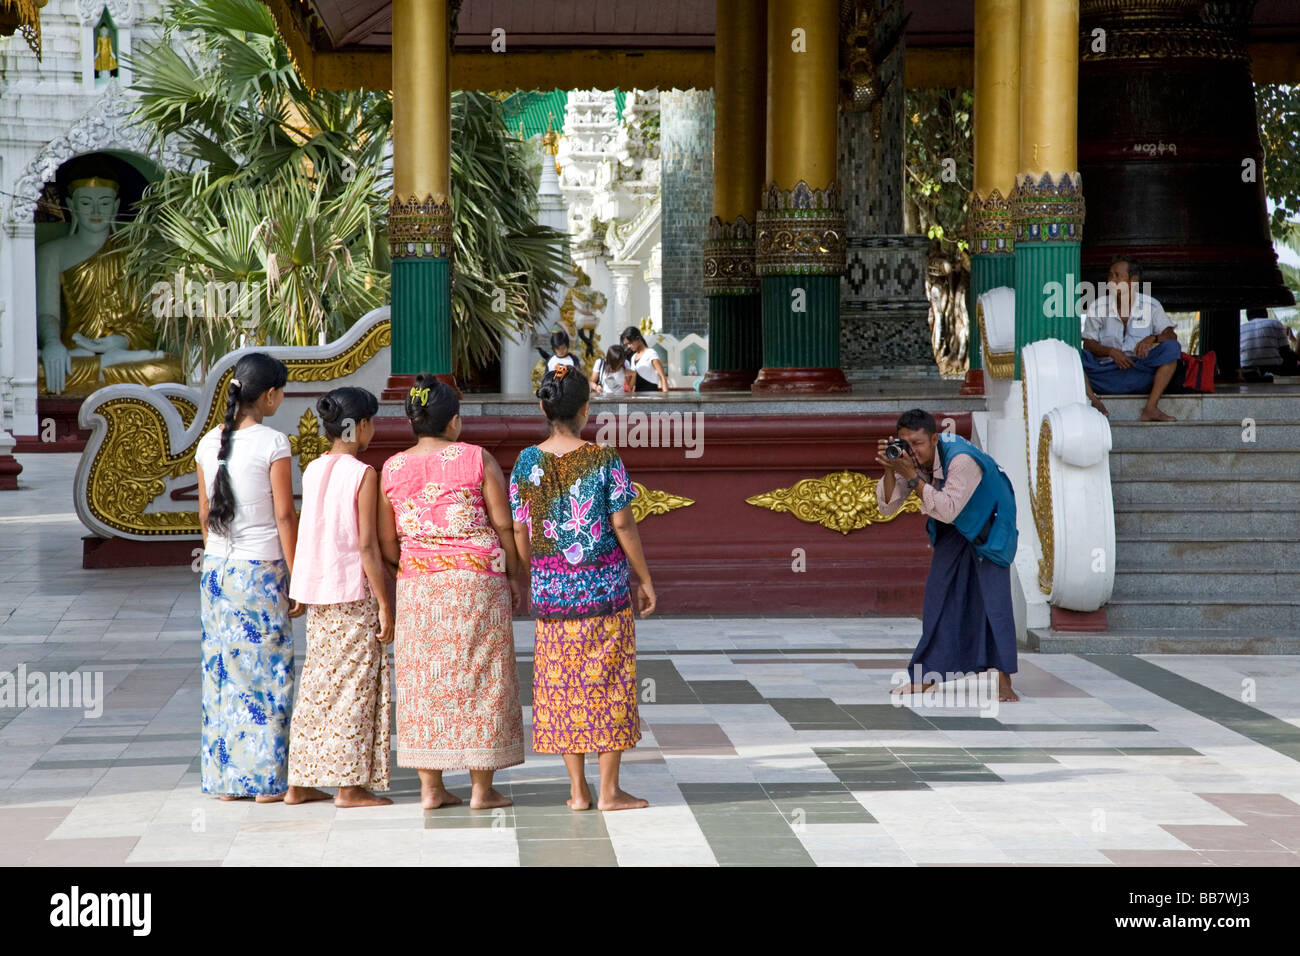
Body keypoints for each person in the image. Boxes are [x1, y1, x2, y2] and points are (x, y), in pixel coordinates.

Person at [510, 365, 655, 811]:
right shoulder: (603, 459)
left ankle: (578, 791)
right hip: (603, 592)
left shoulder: (525, 461)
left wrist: (528, 574)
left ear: (543, 407)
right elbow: (623, 522)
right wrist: (645, 577)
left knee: (561, 688)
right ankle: (610, 791)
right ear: (586, 410)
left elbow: (520, 529)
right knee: (608, 685)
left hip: (553, 596)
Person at [377, 375, 525, 810]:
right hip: (477, 581)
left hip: (419, 585)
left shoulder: (392, 467)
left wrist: (406, 566)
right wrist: (513, 572)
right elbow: (502, 523)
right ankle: (482, 789)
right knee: (484, 679)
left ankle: (431, 787)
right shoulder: (478, 458)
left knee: (424, 682)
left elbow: (388, 541)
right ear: (454, 423)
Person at [195, 353, 325, 803]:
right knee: (268, 676)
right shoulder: (274, 442)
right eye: (281, 391)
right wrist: (298, 574)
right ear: (270, 395)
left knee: (223, 674)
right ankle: (269, 781)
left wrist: (218, 557)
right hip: (262, 570)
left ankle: (226, 782)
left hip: (216, 572)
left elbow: (205, 515)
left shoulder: (209, 442)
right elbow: (285, 516)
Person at [287, 387, 394, 809]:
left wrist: (298, 584)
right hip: (352, 591)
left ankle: (300, 781)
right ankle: (349, 787)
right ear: (361, 425)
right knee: (354, 687)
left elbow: (304, 527)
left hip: (318, 593)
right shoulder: (363, 474)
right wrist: (386, 603)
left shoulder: (313, 468)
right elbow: (367, 546)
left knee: (318, 684)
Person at [875, 409, 1019, 703]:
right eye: (906, 443)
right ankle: (928, 675)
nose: (912, 450)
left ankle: (1004, 678)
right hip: (952, 524)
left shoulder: (961, 460)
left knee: (993, 597)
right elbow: (887, 507)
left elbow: (949, 507)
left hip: (989, 520)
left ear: (934, 438)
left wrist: (913, 477)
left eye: (918, 443)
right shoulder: (908, 462)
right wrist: (892, 469)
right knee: (938, 595)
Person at [1079, 256, 1181, 422]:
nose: (1111, 280)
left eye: (1117, 276)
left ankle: (1151, 408)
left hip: (1140, 373)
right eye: (1110, 275)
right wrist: (1111, 352)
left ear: (1133, 281)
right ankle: (1094, 402)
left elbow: (1171, 336)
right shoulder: (1098, 306)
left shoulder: (1151, 305)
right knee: (1075, 355)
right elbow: (1088, 343)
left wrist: (1152, 338)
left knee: (1171, 348)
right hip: (1106, 375)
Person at [1240, 314, 1300, 380]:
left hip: (1248, 368)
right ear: (1266, 314)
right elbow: (1285, 351)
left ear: (1248, 316)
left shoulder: (1241, 327)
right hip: (1275, 369)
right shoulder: (1275, 323)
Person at [619, 326, 669, 393]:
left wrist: (665, 399)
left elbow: (662, 377)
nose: (629, 346)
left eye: (630, 343)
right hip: (637, 399)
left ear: (638, 338)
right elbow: (632, 384)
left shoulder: (651, 353)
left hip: (651, 397)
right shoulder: (633, 357)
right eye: (627, 344)